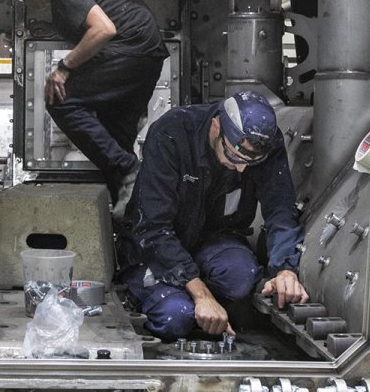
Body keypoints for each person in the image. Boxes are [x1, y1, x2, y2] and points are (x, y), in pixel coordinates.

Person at [117, 91, 308, 341]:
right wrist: (202, 295)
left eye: (251, 162)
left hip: (214, 239)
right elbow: (153, 227)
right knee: (176, 316)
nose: (241, 168)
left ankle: (208, 304)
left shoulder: (265, 143)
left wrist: (285, 270)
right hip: (157, 246)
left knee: (241, 278)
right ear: (216, 126)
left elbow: (280, 209)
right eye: (233, 156)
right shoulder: (172, 132)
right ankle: (172, 297)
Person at [6, 0, 168, 212]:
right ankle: (132, 219)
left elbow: (104, 29)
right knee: (115, 140)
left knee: (60, 100)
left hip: (130, 50)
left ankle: (128, 168)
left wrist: (63, 68)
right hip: (146, 58)